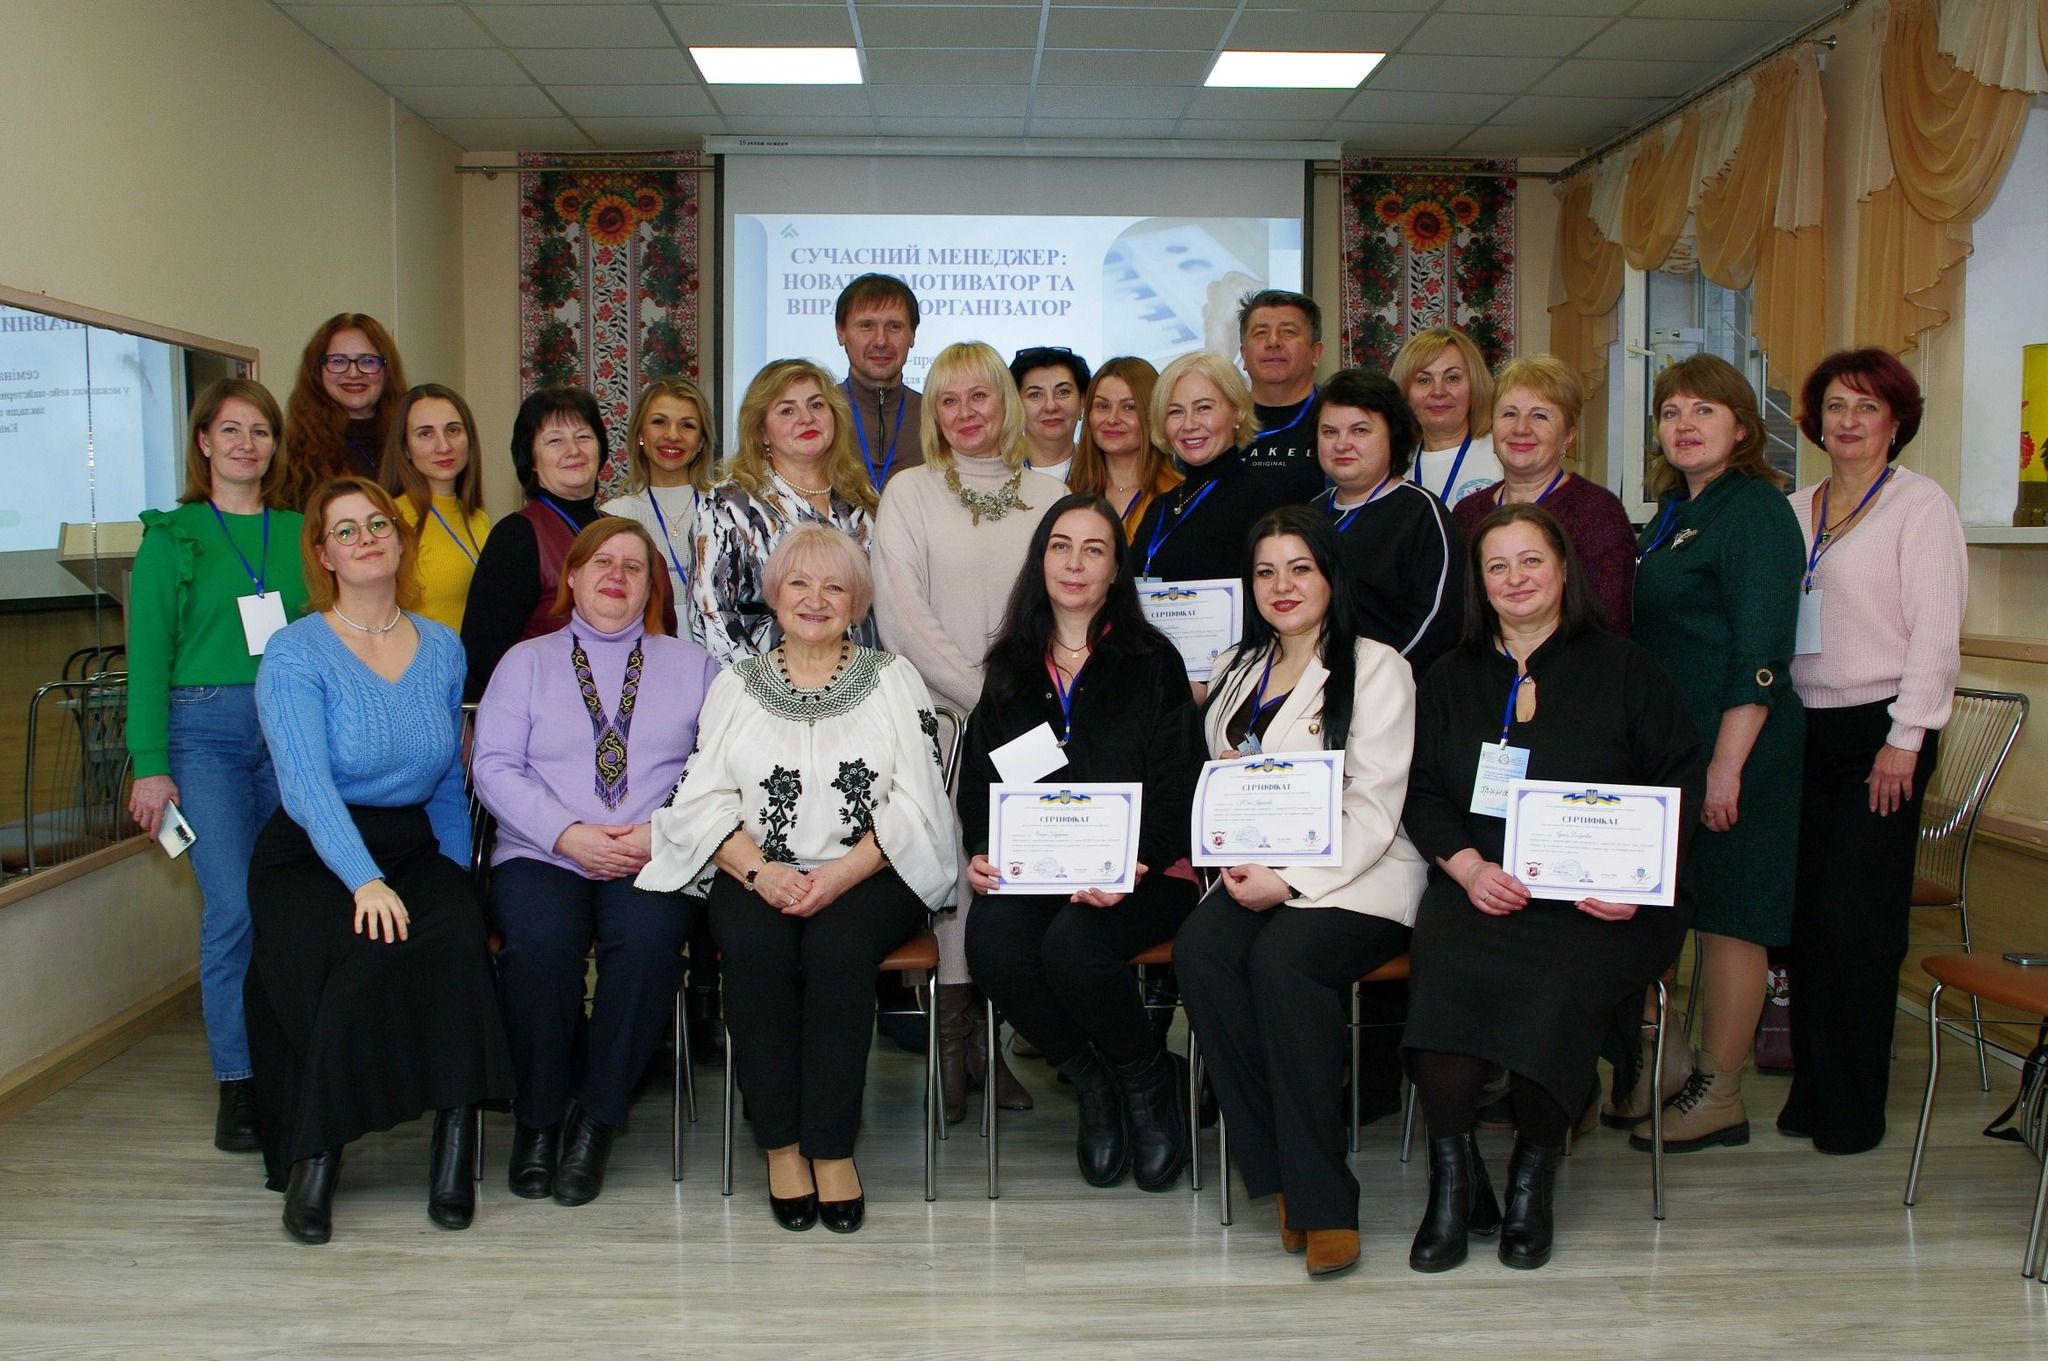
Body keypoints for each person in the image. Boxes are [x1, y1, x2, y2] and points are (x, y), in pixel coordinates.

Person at [1401, 503, 1703, 1272]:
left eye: (1530, 560)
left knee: (1553, 985)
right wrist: (1467, 868)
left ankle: (1533, 1179)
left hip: (1602, 899)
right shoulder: (1449, 676)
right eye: (1496, 565)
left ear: (1565, 568)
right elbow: (1425, 793)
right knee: (1446, 969)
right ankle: (1452, 1178)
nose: (1515, 578)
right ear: (1479, 582)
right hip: (1481, 883)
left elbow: (1679, 782)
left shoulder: (1627, 669)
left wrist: (1638, 881)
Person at [639, 526, 958, 1234]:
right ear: (775, 596)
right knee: (757, 952)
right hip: (756, 868)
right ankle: (782, 1145)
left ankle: (832, 1147)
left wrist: (839, 875)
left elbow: (918, 801)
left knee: (839, 951)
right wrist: (760, 870)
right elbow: (701, 799)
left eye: (834, 586)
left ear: (857, 601)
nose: (816, 599)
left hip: (872, 870)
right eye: (800, 584)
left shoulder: (891, 678)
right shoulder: (736, 685)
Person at [247, 476, 513, 1244]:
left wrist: (458, 876)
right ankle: (316, 1156)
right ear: (324, 554)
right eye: (345, 530)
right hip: (311, 853)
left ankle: (455, 1148)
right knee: (362, 948)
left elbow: (441, 780)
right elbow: (305, 784)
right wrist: (362, 878)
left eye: (377, 524)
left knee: (460, 937)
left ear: (399, 541)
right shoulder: (295, 652)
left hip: (412, 842)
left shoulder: (442, 647)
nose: (365, 537)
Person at [1176, 506, 1428, 1278]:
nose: (1282, 586)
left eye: (1299, 568)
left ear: (1330, 576)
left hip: (1360, 875)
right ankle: (1277, 1170)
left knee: (1285, 963)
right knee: (1202, 951)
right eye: (1265, 571)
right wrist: (1237, 868)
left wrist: (1289, 879)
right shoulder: (1234, 669)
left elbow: (1375, 804)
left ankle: (1324, 1202)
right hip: (1254, 871)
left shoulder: (1377, 665)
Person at [959, 494, 1205, 1191]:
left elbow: (1180, 782)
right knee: (993, 943)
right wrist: (983, 847)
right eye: (1061, 545)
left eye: (1094, 549)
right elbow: (980, 777)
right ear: (1041, 559)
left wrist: (1138, 862)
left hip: (1150, 869)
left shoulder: (1151, 660)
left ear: (1115, 570)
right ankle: (1096, 1078)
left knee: (1074, 943)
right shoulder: (1010, 666)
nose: (1075, 562)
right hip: (1041, 868)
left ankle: (1145, 1077)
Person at [472, 518, 720, 1206]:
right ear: (572, 578)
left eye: (633, 566)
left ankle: (597, 1118)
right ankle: (540, 1118)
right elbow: (492, 766)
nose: (616, 575)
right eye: (600, 561)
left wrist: (659, 834)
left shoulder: (697, 667)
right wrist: (566, 832)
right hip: (542, 848)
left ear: (651, 586)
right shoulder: (525, 661)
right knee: (540, 948)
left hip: (654, 851)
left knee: (646, 948)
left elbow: (719, 772)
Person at [872, 340, 1064, 1121]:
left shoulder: (1051, 492)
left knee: (1011, 868)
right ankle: (953, 1049)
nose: (963, 414)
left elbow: (1068, 600)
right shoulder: (910, 493)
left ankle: (994, 1038)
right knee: (953, 870)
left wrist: (1025, 702)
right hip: (940, 717)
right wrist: (989, 696)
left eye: (978, 397)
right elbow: (901, 616)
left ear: (1005, 403)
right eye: (946, 401)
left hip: (1034, 719)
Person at [1617, 354, 1804, 1151]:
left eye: (1703, 409)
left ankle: (1722, 1090)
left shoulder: (1755, 509)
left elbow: (1759, 650)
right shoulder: (1675, 508)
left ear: (1741, 424)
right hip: (1675, 748)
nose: (1684, 424)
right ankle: (1673, 1066)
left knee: (1731, 917)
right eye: (1670, 411)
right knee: (1673, 907)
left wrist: (1727, 763)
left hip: (1740, 745)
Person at [1783, 348, 1966, 1155]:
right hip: (1802, 730)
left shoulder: (1920, 506)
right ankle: (1811, 1089)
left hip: (1882, 735)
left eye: (1865, 407)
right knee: (1807, 919)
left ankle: (1852, 1110)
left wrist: (1906, 736)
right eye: (1834, 407)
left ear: (1896, 422)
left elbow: (1937, 631)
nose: (1847, 422)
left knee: (1857, 925)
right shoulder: (1796, 508)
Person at [126, 378, 309, 1155]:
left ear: (275, 444)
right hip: (202, 734)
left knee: (294, 902)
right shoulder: (173, 537)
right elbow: (146, 659)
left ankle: (293, 1060)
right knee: (232, 905)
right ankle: (237, 1082)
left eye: (260, 431)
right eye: (230, 430)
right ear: (203, 441)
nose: (246, 444)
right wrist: (149, 764)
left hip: (292, 728)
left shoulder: (302, 532)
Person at [693, 359, 879, 669]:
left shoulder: (863, 499)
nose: (806, 419)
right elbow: (710, 615)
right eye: (787, 410)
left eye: (816, 405)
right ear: (762, 431)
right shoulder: (731, 504)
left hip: (860, 684)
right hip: (767, 690)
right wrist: (767, 691)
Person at [1450, 355, 1636, 637]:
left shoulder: (1596, 512)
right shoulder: (1468, 513)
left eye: (1539, 415)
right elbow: (1458, 617)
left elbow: (1609, 624)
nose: (1521, 428)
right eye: (1509, 414)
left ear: (1568, 436)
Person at [461, 387, 617, 698]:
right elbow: (483, 652)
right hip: (543, 715)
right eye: (555, 440)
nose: (573, 450)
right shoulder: (517, 535)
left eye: (584, 437)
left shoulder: (615, 531)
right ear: (531, 458)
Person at [1309, 367, 1464, 676]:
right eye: (1330, 432)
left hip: (1390, 692)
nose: (1342, 444)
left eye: (1360, 430)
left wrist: (1369, 681)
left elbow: (1436, 624)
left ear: (1393, 435)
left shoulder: (1421, 514)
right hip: (1311, 690)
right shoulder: (1310, 515)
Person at [1126, 351, 1306, 587]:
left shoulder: (1264, 500)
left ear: (1237, 412)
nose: (1189, 424)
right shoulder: (1161, 506)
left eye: (1203, 408)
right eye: (1176, 411)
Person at [600, 376, 717, 645]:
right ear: (640, 434)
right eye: (659, 422)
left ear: (701, 441)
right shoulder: (613, 516)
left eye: (687, 425)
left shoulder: (727, 510)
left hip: (721, 663)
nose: (672, 435)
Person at [381, 383, 490, 632]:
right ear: (405, 448)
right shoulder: (390, 519)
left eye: (453, 430)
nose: (444, 446)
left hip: (474, 666)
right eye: (425, 434)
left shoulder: (478, 518)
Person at [281, 313, 407, 510]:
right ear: (317, 370)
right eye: (338, 361)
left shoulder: (411, 444)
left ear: (387, 370)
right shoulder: (290, 457)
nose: (354, 373)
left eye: (367, 361)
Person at [1068, 355, 1180, 536]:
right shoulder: (1069, 493)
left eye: (1129, 407)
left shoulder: (1178, 494)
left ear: (1152, 413)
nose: (1112, 419)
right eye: (1102, 406)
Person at [1392, 327, 1503, 506]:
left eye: (1452, 378)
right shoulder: (1392, 463)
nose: (1438, 392)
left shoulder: (1503, 452)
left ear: (1475, 386)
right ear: (1405, 392)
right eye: (1424, 380)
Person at [1235, 288, 1328, 501]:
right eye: (1260, 333)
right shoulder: (1222, 422)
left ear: (1316, 353)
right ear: (1244, 355)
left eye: (1288, 332)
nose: (1273, 341)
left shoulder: (1342, 419)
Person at [835, 273, 924, 490]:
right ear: (841, 333)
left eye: (894, 326)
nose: (881, 341)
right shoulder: (819, 414)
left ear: (912, 335)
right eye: (866, 325)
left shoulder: (936, 416)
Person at [1009, 346, 1091, 482]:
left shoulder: (1101, 471)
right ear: (1015, 404)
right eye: (1035, 394)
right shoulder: (997, 473)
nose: (1051, 406)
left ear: (1082, 401)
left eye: (1063, 392)